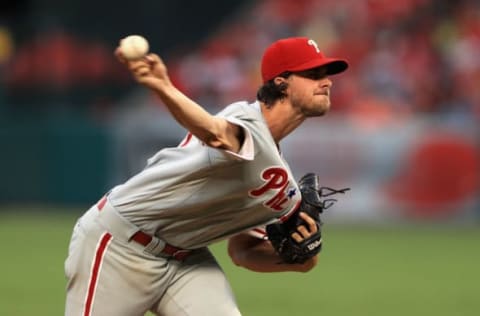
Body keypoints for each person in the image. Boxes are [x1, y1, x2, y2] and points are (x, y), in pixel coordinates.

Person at [64, 36, 348, 316]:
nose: (327, 81)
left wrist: (298, 257)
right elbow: (216, 133)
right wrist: (164, 86)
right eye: (313, 73)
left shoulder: (283, 187)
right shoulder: (246, 120)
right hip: (121, 244)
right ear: (280, 81)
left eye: (326, 74)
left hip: (187, 259)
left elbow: (242, 251)